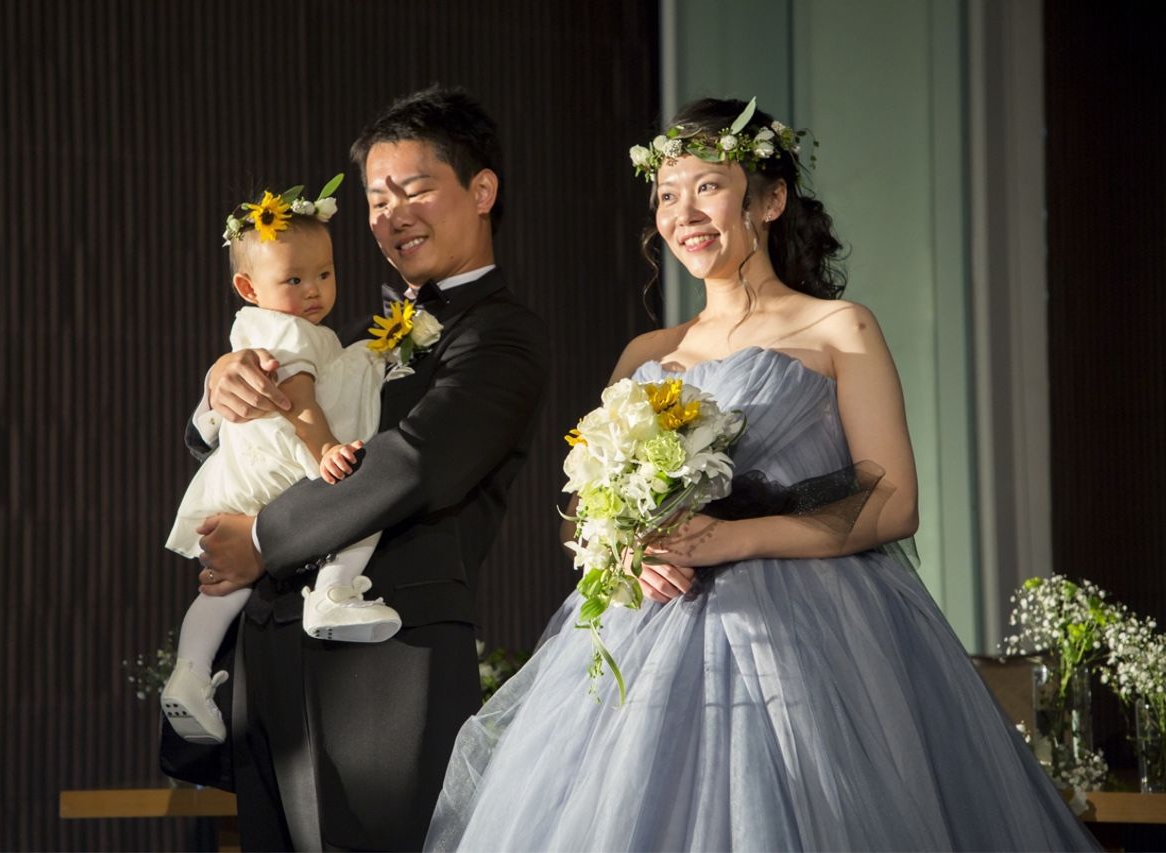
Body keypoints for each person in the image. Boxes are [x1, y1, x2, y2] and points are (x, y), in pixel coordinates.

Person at [424, 97, 1098, 851]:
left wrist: (732, 539)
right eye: (666, 196)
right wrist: (623, 554)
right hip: (649, 630)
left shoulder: (838, 328)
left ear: (770, 200)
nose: (683, 213)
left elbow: (892, 500)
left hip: (813, 629)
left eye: (708, 187)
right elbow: (579, 516)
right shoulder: (647, 353)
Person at [190, 86, 550, 850]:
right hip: (270, 659)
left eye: (414, 189)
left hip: (385, 673)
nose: (392, 215)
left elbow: (415, 462)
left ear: (482, 190)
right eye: (377, 200)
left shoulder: (502, 335)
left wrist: (261, 536)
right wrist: (218, 392)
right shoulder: (343, 335)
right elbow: (260, 438)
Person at [161, 178, 403, 745]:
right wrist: (326, 450)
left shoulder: (273, 326)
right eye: (294, 280)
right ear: (248, 287)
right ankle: (334, 595)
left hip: (242, 475)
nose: (314, 290)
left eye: (325, 274)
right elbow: (299, 399)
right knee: (360, 507)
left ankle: (189, 675)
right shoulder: (287, 331)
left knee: (222, 587)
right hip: (283, 458)